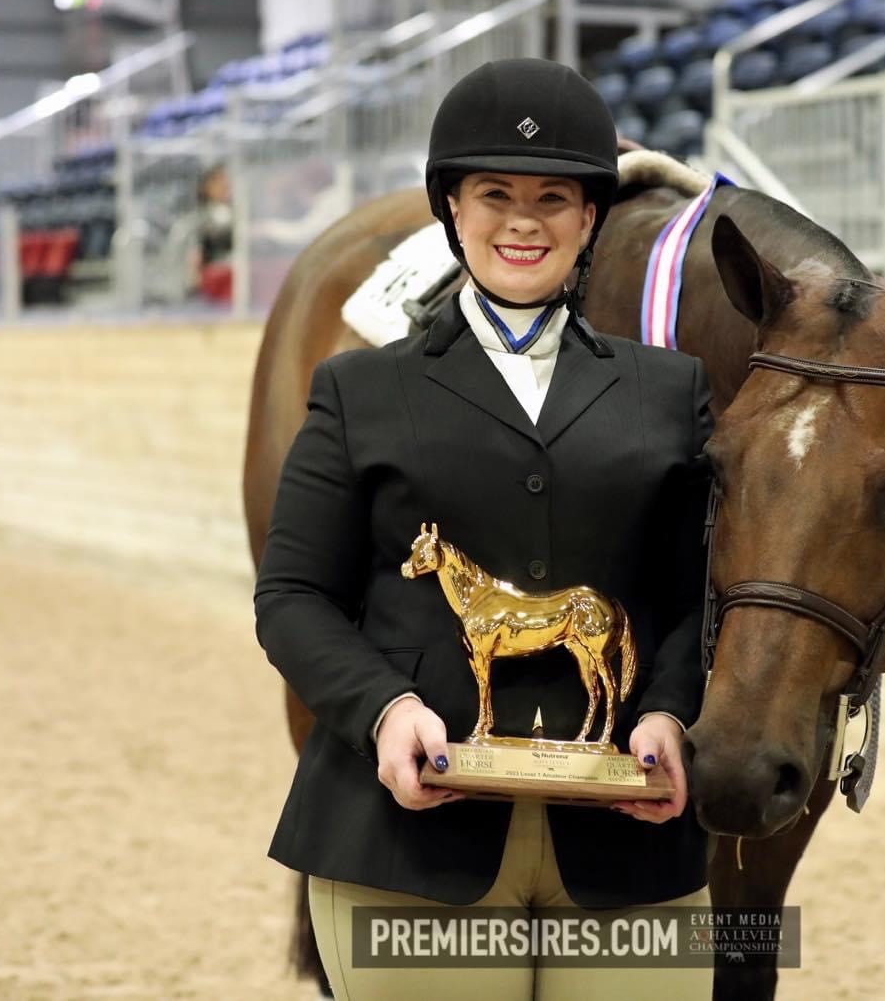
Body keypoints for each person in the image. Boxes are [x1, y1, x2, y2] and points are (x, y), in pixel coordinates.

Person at [254, 57, 714, 1000]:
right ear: (452, 210)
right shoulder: (359, 390)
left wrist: (670, 711)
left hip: (627, 844)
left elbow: (697, 592)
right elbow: (293, 596)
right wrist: (384, 709)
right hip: (406, 842)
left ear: (589, 218)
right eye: (495, 194)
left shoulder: (669, 393)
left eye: (553, 198)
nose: (522, 221)